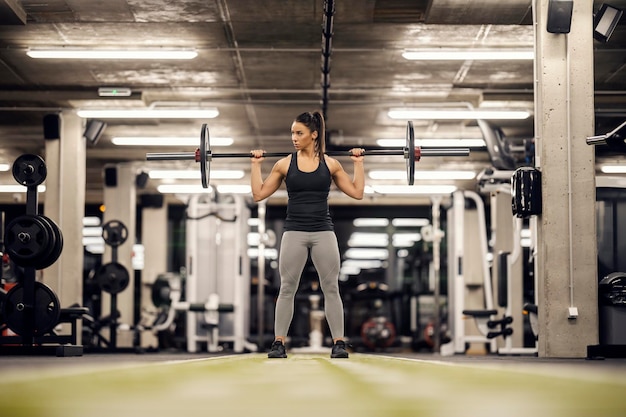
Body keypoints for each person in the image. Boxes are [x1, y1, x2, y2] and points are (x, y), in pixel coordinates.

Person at [250, 110, 365, 359]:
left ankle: (338, 343)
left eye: (298, 133)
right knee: (287, 287)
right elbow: (259, 194)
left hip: (323, 231)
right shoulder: (284, 164)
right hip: (294, 231)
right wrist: (256, 165)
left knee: (331, 287)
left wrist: (358, 163)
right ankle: (279, 343)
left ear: (313, 135)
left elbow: (357, 193)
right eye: (292, 132)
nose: (293, 137)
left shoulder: (331, 164)